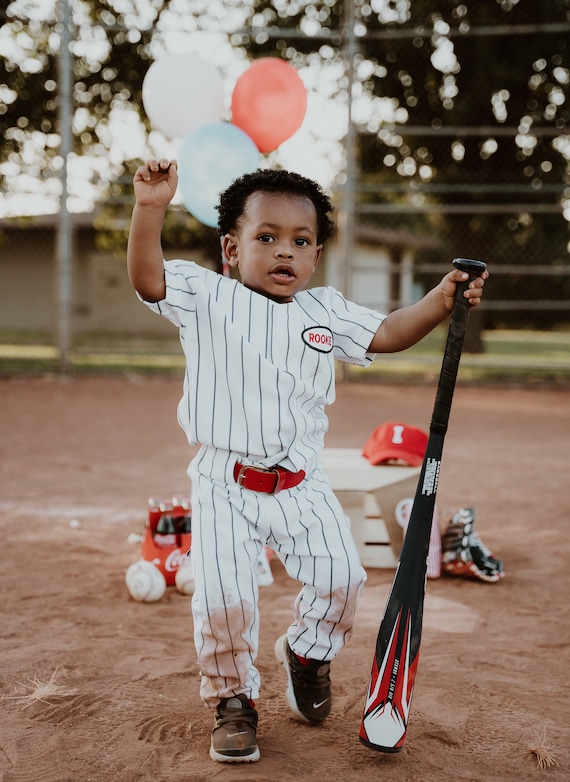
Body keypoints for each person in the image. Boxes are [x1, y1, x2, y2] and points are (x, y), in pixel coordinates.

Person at [127, 158, 488, 764]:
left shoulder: (325, 311)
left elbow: (390, 332)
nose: (283, 252)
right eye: (265, 238)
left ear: (317, 255)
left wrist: (440, 299)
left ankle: (308, 654)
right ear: (231, 249)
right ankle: (234, 700)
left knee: (342, 580)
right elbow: (146, 280)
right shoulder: (205, 295)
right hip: (225, 482)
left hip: (302, 483)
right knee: (223, 598)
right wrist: (149, 208)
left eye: (300, 240)